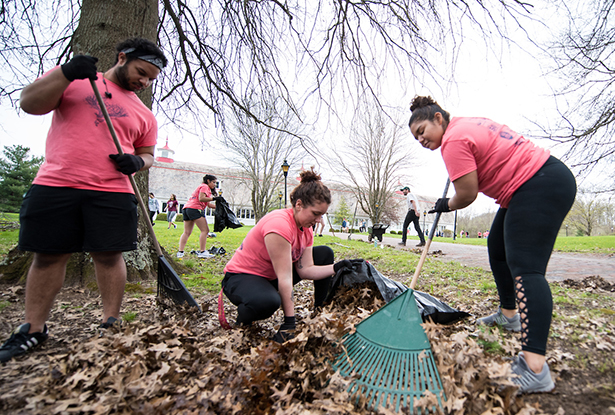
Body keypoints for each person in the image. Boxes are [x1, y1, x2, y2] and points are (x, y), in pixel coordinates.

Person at [0, 38, 168, 363]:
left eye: (150, 78)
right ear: (122, 58)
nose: (144, 81)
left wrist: (138, 162)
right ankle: (33, 329)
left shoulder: (144, 114)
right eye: (141, 72)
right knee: (48, 256)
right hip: (57, 183)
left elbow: (147, 155)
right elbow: (29, 103)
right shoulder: (76, 82)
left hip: (113, 191)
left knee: (109, 256)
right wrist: (65, 72)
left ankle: (110, 323)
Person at [408, 95, 576, 394]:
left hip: (537, 183)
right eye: (415, 137)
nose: (420, 139)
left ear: (438, 118)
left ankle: (535, 368)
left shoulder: (453, 139)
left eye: (422, 130)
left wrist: (445, 204)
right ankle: (509, 316)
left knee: (527, 268)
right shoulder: (464, 126)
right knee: (497, 250)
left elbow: (468, 194)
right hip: (534, 182)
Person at [221, 169, 351, 343]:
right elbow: (285, 277)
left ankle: (320, 310)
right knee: (267, 302)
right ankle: (244, 320)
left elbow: (306, 270)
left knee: (325, 253)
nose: (319, 220)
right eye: (315, 213)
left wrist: (338, 266)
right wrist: (289, 323)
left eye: (322, 215)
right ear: (298, 205)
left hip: (269, 277)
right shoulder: (279, 225)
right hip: (241, 277)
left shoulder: (306, 229)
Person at [177, 175, 219, 259]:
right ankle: (202, 251)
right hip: (195, 209)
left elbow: (209, 205)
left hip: (187, 209)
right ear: (208, 181)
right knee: (205, 230)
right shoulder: (204, 186)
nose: (215, 184)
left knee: (187, 232)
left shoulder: (203, 188)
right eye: (213, 182)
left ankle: (180, 252)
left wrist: (220, 206)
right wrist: (214, 198)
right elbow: (201, 198)